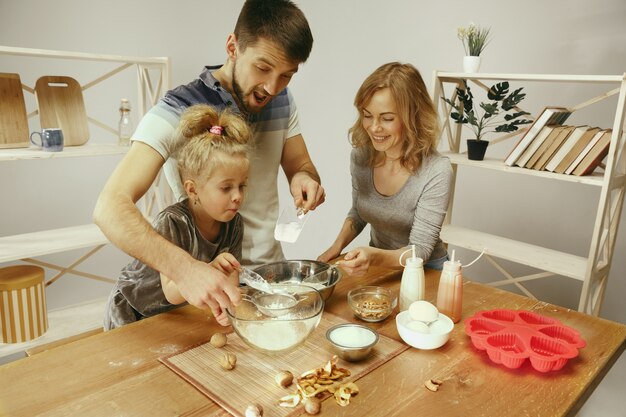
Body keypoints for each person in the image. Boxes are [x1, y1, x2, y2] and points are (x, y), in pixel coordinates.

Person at [94, 0, 325, 323]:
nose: (272, 88)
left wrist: (304, 178)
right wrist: (186, 270)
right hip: (201, 292)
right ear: (233, 47)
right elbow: (109, 207)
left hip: (264, 282)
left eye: (286, 75)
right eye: (263, 68)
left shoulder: (283, 101)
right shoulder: (176, 109)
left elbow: (300, 164)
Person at [104, 105, 251, 330]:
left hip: (171, 314)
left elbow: (231, 279)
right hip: (133, 310)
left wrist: (228, 307)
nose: (237, 196)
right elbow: (172, 292)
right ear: (192, 190)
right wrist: (210, 269)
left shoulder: (234, 223)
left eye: (242, 186)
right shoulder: (173, 221)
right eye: (226, 188)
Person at [318, 62, 452, 275]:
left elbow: (420, 251)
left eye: (387, 118)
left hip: (426, 271)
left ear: (413, 117)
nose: (373, 127)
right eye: (367, 115)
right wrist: (336, 248)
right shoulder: (361, 157)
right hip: (381, 268)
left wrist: (372, 255)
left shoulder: (436, 170)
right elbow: (359, 212)